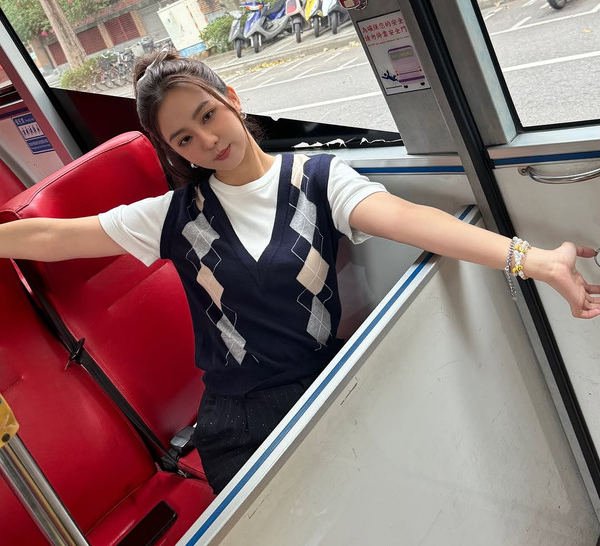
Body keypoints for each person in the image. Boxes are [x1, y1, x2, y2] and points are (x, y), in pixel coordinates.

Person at [2, 50, 600, 493]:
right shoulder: (173, 216)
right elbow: (52, 235)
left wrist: (536, 261)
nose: (207, 140)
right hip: (238, 422)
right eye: (184, 138)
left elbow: (410, 220)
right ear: (173, 151)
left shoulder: (319, 179)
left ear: (233, 99)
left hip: (324, 387)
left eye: (209, 115)